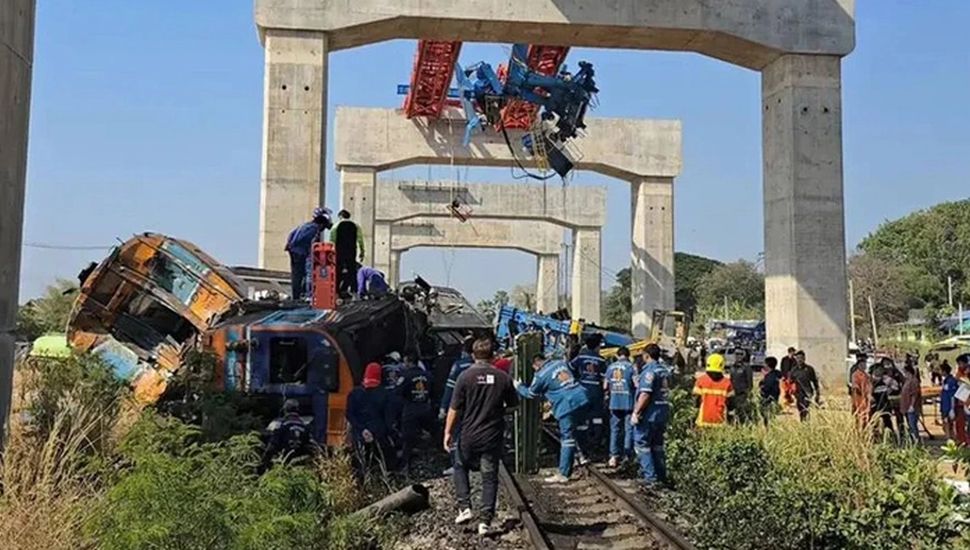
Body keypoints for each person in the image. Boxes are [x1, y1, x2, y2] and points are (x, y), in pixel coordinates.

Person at [443, 338, 518, 536]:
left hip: (468, 434)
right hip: (492, 436)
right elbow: (513, 405)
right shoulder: (503, 378)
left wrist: (447, 432)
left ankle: (465, 507)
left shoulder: (464, 377)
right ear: (493, 356)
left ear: (473, 355)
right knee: (489, 476)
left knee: (460, 465)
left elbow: (454, 408)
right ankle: (485, 521)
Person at [516, 354, 590, 483]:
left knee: (567, 438)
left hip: (566, 403)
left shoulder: (540, 375)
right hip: (582, 396)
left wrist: (518, 386)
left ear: (536, 364)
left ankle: (564, 473)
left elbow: (531, 394)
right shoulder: (560, 363)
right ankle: (582, 455)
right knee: (579, 428)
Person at [347, 363, 400, 471]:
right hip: (379, 436)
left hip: (359, 435)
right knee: (384, 465)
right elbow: (388, 419)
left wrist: (362, 430)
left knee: (360, 467)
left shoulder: (354, 393)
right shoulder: (385, 394)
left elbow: (349, 414)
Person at [631, 344, 670, 486]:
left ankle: (650, 478)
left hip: (650, 414)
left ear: (646, 355)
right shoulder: (664, 370)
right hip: (662, 413)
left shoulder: (649, 372)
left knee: (641, 444)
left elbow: (645, 394)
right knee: (657, 446)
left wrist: (636, 412)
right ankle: (661, 476)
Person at [570, 334, 606, 458]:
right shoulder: (601, 360)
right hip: (597, 392)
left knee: (581, 419)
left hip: (582, 391)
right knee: (597, 418)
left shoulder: (580, 357)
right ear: (597, 346)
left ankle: (582, 445)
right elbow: (604, 378)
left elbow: (570, 368)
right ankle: (596, 441)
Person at [284, 207, 332, 299]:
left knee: (298, 274)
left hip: (294, 251)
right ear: (322, 223)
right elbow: (306, 241)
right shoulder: (313, 228)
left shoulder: (306, 225)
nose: (323, 229)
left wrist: (289, 245)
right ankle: (302, 295)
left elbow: (292, 234)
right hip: (299, 252)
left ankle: (297, 295)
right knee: (302, 274)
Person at [398, 351, 434, 470]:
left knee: (407, 438)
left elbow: (397, 392)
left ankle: (405, 464)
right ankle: (432, 458)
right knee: (431, 433)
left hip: (410, 409)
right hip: (425, 407)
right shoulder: (428, 375)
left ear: (408, 362)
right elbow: (434, 391)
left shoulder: (405, 376)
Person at [604, 347, 636, 467]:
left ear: (617, 356)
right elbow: (636, 384)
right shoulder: (631, 367)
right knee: (628, 429)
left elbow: (605, 386)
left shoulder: (610, 367)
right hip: (628, 402)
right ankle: (627, 456)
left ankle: (613, 457)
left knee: (615, 430)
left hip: (614, 402)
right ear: (628, 356)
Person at [260, 399, 311, 472]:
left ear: (285, 410)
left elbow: (272, 446)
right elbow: (309, 447)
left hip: (281, 465)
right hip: (299, 468)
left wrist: (263, 462)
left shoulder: (281, 424)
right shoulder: (305, 427)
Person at [692, 354, 734, 428]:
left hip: (703, 421)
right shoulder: (727, 383)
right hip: (720, 422)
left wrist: (693, 419)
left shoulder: (701, 381)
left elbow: (695, 401)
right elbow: (731, 404)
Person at [330, 209, 365, 296]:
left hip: (339, 251)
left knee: (337, 271)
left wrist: (331, 253)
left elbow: (332, 241)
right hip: (351, 250)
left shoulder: (336, 226)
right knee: (352, 271)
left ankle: (336, 291)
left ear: (340, 216)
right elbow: (360, 239)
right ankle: (354, 291)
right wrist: (362, 251)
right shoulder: (356, 226)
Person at [871, 362, 900, 441]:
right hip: (876, 407)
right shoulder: (872, 382)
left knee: (887, 423)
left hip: (884, 407)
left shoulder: (887, 381)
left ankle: (891, 438)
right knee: (874, 424)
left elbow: (896, 388)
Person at [790, 350, 821, 421]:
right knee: (800, 409)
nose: (799, 360)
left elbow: (814, 381)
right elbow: (790, 382)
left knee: (805, 409)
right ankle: (802, 421)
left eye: (801, 358)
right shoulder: (794, 370)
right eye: (798, 358)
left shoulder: (809, 369)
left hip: (807, 392)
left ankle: (805, 422)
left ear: (804, 358)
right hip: (798, 393)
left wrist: (817, 393)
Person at [728, 349, 754, 424]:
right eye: (736, 354)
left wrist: (748, 393)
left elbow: (750, 381)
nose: (738, 356)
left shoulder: (746, 367)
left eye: (740, 354)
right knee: (732, 413)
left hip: (743, 394)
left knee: (742, 413)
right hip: (733, 394)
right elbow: (731, 379)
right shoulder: (732, 367)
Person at [849, 352, 872, 429]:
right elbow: (854, 384)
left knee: (866, 416)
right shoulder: (855, 372)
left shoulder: (866, 374)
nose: (864, 365)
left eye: (864, 363)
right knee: (859, 416)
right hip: (859, 397)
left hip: (866, 398)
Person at [900, 364, 922, 445]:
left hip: (912, 407)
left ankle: (916, 442)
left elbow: (914, 394)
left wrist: (912, 406)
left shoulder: (914, 381)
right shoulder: (907, 380)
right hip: (906, 406)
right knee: (910, 425)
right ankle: (912, 441)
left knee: (913, 425)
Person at [759, 357, 782, 426]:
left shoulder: (769, 377)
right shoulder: (777, 373)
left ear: (767, 365)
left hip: (768, 399)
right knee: (772, 417)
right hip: (775, 398)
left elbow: (765, 388)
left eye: (765, 363)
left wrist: (763, 380)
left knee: (767, 417)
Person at [941, 362, 959, 441]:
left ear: (944, 371)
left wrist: (952, 408)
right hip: (945, 406)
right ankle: (949, 439)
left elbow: (952, 396)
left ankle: (951, 439)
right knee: (946, 423)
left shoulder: (951, 381)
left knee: (949, 424)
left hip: (949, 406)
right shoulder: (945, 380)